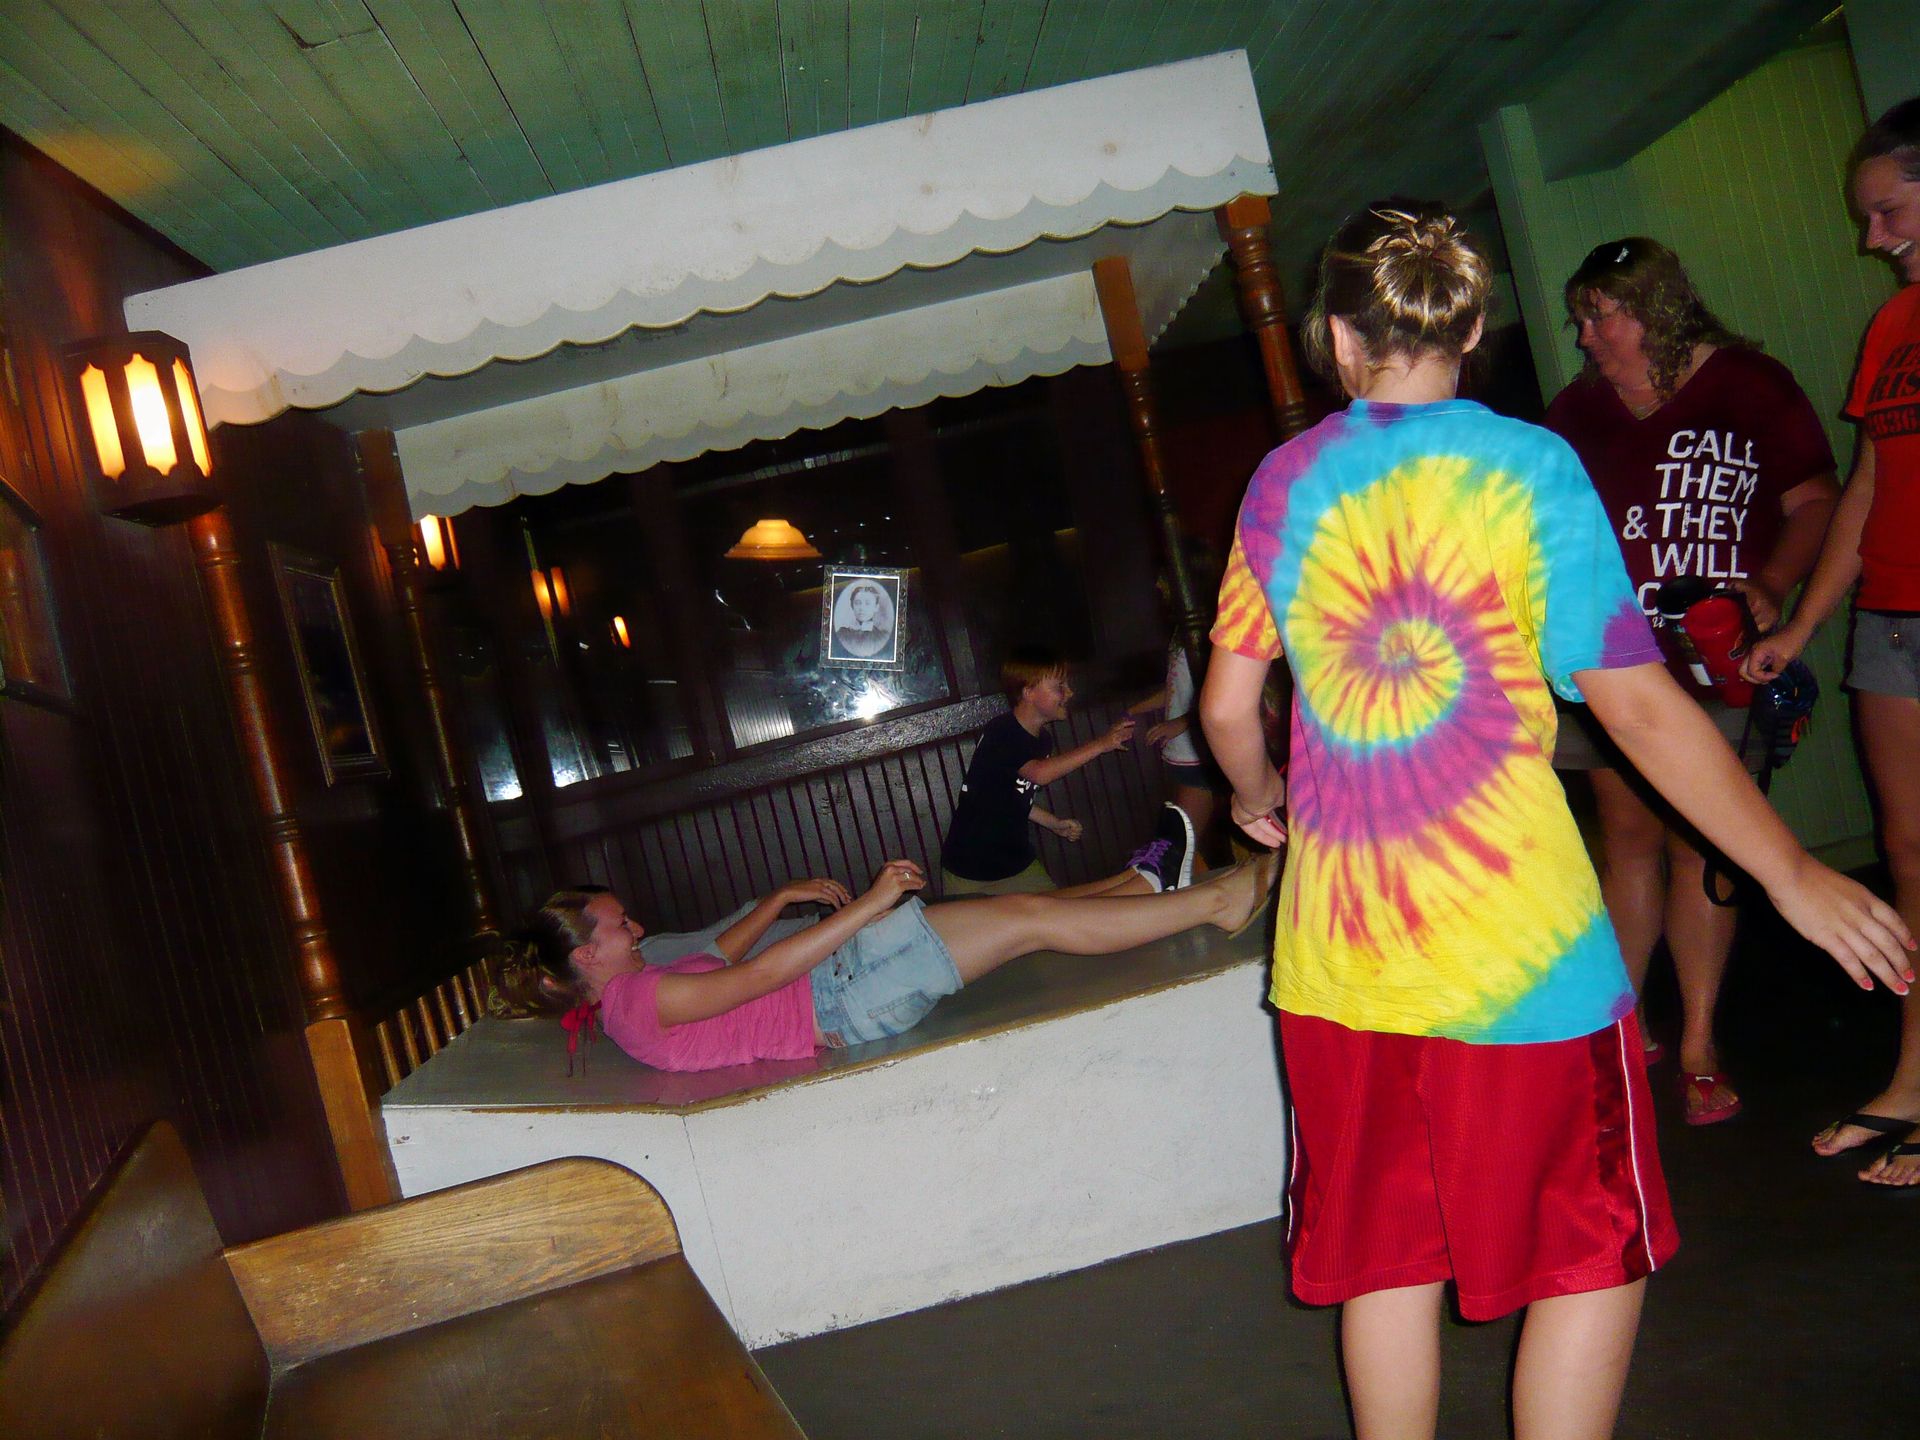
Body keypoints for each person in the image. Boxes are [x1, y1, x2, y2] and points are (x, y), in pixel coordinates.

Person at [1198, 200, 1912, 1440]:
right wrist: (1790, 871)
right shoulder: (1529, 466)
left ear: (1338, 338)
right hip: (1516, 957)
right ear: (1471, 329)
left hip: (1339, 962)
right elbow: (1633, 705)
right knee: (1588, 1251)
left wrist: (1262, 796)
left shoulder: (1280, 481)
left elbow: (1224, 707)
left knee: (1386, 1262)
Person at [1543, 237, 1839, 1124]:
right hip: (1612, 669)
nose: (1585, 335)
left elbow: (1815, 501)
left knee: (1703, 845)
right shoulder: (1577, 412)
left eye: (1601, 315)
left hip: (1719, 662)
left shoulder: (1750, 384)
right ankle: (1623, 1028)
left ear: (1656, 308)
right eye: (1581, 317)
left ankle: (1701, 1040)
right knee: (1628, 840)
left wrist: (1774, 585)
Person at [1746, 96, 1920, 1187]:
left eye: (1889, 210)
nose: (1872, 236)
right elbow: (1867, 484)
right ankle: (1916, 1078)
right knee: (1911, 859)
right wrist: (1803, 624)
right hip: (1892, 622)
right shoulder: (1893, 326)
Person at [513, 852, 1277, 1073]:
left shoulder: (632, 996)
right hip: (846, 999)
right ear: (586, 953)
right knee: (1028, 921)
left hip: (843, 983)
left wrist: (780, 898)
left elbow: (720, 956)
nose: (637, 927)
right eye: (621, 924)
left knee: (1023, 915)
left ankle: (1166, 891)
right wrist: (869, 904)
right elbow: (762, 978)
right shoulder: (635, 1004)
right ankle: (1219, 903)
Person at [940, 647, 1188, 896]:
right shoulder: (1002, 731)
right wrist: (1102, 744)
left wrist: (1054, 823)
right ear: (1028, 692)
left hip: (1015, 863)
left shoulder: (1042, 740)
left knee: (1061, 912)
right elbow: (1039, 774)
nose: (1070, 692)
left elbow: (1013, 797)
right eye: (1060, 686)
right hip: (967, 869)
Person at [831, 580, 894, 660]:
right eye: (857, 603)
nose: (862, 608)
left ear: (876, 607)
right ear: (852, 606)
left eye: (867, 603)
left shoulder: (883, 637)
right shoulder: (842, 635)